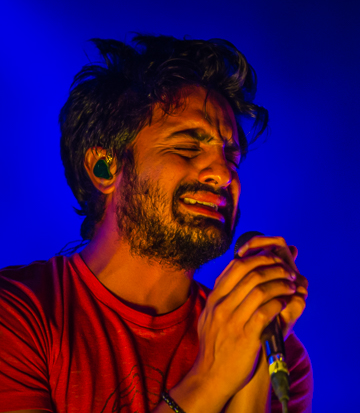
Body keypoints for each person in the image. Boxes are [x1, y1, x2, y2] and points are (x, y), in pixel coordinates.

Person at [0, 35, 312, 413]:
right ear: (105, 168)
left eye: (231, 157)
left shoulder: (280, 355)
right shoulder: (16, 313)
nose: (223, 174)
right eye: (187, 147)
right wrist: (211, 379)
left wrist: (255, 363)